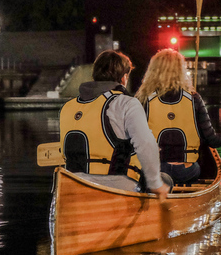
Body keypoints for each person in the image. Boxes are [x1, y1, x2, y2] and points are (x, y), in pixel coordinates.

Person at [59, 50, 171, 200]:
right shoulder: (126, 103)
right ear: (124, 77)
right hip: (114, 186)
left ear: (95, 75)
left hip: (72, 185)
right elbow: (145, 145)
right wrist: (156, 183)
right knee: (167, 180)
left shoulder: (68, 107)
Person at [135, 48, 221, 184]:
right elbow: (211, 140)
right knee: (197, 167)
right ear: (181, 71)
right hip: (186, 171)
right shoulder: (194, 99)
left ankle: (160, 185)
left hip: (154, 170)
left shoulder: (143, 100)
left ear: (153, 71)